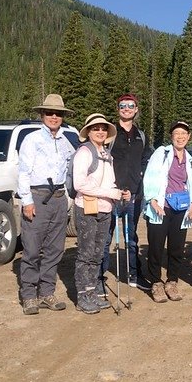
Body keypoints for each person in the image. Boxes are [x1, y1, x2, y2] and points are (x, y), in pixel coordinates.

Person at [16, 94, 76, 315]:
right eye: (49, 112)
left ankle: (47, 293)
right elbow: (23, 172)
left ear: (62, 117)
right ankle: (29, 295)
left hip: (59, 198)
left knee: (55, 249)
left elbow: (72, 168)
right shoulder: (32, 139)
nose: (53, 116)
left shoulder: (66, 141)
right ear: (42, 114)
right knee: (31, 248)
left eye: (58, 113)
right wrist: (27, 201)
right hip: (38, 196)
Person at [72, 114, 131, 314]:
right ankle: (83, 296)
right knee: (86, 253)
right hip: (87, 208)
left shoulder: (106, 154)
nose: (100, 131)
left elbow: (109, 182)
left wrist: (118, 192)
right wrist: (109, 193)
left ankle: (93, 293)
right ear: (88, 131)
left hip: (105, 208)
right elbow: (78, 184)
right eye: (95, 128)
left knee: (97, 253)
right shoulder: (84, 152)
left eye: (103, 128)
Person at [98, 94, 152, 295]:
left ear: (136, 109)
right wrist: (112, 189)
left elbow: (147, 161)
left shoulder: (141, 135)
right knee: (106, 238)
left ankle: (134, 275)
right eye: (123, 105)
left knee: (132, 238)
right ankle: (99, 278)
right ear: (118, 108)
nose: (127, 108)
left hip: (134, 196)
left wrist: (139, 186)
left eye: (131, 106)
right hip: (111, 195)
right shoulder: (110, 134)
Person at [142, 120, 192, 303]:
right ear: (171, 137)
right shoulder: (162, 153)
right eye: (177, 133)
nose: (180, 137)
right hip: (161, 207)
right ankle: (156, 283)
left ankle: (172, 281)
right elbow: (150, 174)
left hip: (181, 209)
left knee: (176, 248)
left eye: (184, 133)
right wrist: (152, 199)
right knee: (156, 247)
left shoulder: (189, 159)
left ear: (189, 137)